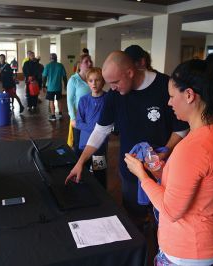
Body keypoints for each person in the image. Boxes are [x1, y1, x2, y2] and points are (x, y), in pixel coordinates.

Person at [124, 58, 213, 265]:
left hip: (187, 250)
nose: (169, 102)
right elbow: (188, 183)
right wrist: (156, 169)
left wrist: (141, 175)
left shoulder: (192, 147)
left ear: (189, 95)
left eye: (172, 96)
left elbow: (171, 210)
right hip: (204, 244)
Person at [65, 51, 189, 227]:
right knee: (134, 217)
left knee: (164, 218)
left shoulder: (164, 86)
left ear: (130, 72)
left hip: (162, 170)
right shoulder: (114, 95)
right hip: (130, 170)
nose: (112, 88)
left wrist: (165, 151)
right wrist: (80, 161)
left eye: (115, 82)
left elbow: (182, 129)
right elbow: (100, 131)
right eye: (110, 84)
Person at [76, 67, 108, 188]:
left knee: (100, 174)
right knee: (82, 173)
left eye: (97, 80)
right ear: (87, 82)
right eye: (90, 80)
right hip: (84, 145)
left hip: (100, 147)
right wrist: (97, 129)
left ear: (103, 81)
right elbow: (78, 122)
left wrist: (102, 130)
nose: (94, 83)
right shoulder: (84, 100)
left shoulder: (108, 99)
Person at [67, 54, 93, 154]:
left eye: (90, 61)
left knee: (92, 144)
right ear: (80, 64)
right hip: (79, 118)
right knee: (79, 146)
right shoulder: (74, 80)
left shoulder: (93, 79)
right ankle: (80, 167)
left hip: (92, 117)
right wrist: (73, 118)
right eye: (86, 61)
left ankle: (93, 168)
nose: (90, 63)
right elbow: (69, 100)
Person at [42, 53, 67, 121]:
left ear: (50, 59)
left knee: (51, 101)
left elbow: (44, 77)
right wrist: (65, 85)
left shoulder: (47, 66)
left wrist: (43, 86)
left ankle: (53, 116)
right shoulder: (60, 65)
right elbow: (64, 77)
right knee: (59, 100)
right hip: (58, 87)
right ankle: (60, 114)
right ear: (56, 58)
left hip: (50, 88)